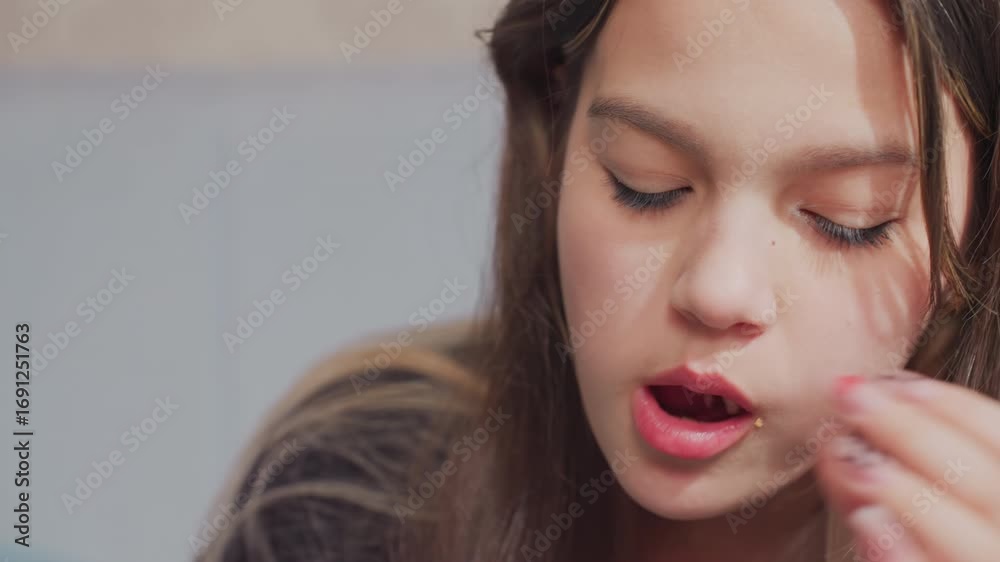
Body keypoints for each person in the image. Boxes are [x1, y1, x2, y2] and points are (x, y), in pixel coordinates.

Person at [193, 1, 1000, 560]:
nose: (716, 290)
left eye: (846, 218)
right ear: (558, 126)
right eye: (643, 182)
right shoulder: (354, 495)